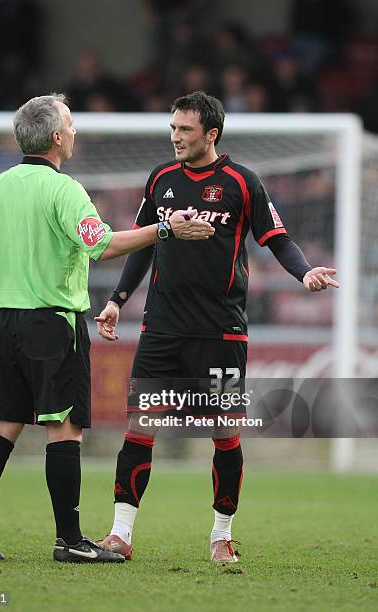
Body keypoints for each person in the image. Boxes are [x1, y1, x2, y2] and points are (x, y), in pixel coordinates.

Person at [0, 93, 214, 564]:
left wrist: (22, 253)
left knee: (2, 426)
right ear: (56, 137)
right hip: (52, 322)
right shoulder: (65, 190)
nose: (74, 131)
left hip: (1, 322)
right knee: (65, 430)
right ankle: (70, 540)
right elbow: (104, 245)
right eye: (70, 125)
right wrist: (165, 229)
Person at [95, 90, 339, 563]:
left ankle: (220, 537)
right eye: (173, 128)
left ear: (211, 134)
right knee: (139, 429)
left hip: (222, 332)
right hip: (161, 329)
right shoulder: (160, 180)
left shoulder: (242, 182)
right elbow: (144, 245)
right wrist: (116, 300)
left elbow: (278, 238)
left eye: (185, 130)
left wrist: (305, 271)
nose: (175, 138)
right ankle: (120, 534)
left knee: (225, 435)